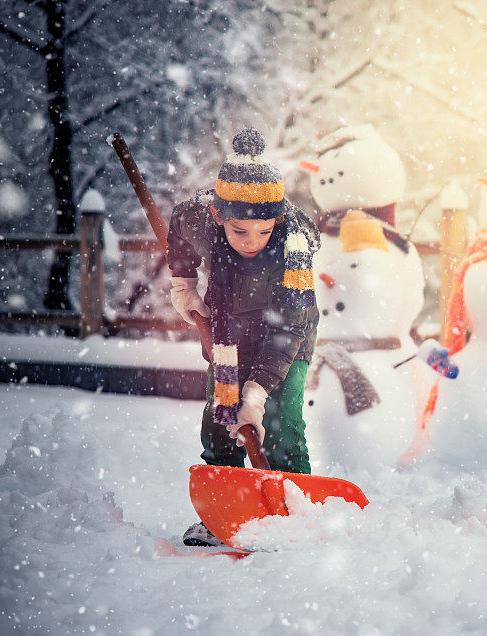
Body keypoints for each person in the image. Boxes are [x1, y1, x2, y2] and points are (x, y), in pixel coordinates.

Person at [166, 128, 320, 546]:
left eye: (263, 231)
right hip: (227, 335)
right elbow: (177, 231)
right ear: (218, 216)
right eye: (239, 231)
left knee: (281, 420)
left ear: (279, 220)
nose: (252, 241)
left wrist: (255, 396)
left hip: (287, 336)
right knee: (220, 421)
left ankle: (296, 512)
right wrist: (183, 285)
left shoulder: (294, 250)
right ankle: (224, 514)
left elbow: (287, 329)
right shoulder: (198, 217)